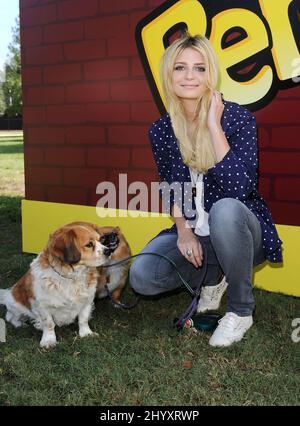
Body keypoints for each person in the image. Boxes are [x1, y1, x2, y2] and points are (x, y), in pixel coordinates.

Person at [129, 33, 282, 347]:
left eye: (199, 68)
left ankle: (241, 310)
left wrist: (213, 126)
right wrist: (183, 230)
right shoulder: (161, 129)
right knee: (142, 276)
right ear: (168, 75)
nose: (189, 76)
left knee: (225, 209)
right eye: (180, 68)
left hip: (241, 233)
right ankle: (212, 280)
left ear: (210, 73)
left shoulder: (238, 118)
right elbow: (172, 186)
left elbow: (240, 188)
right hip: (197, 231)